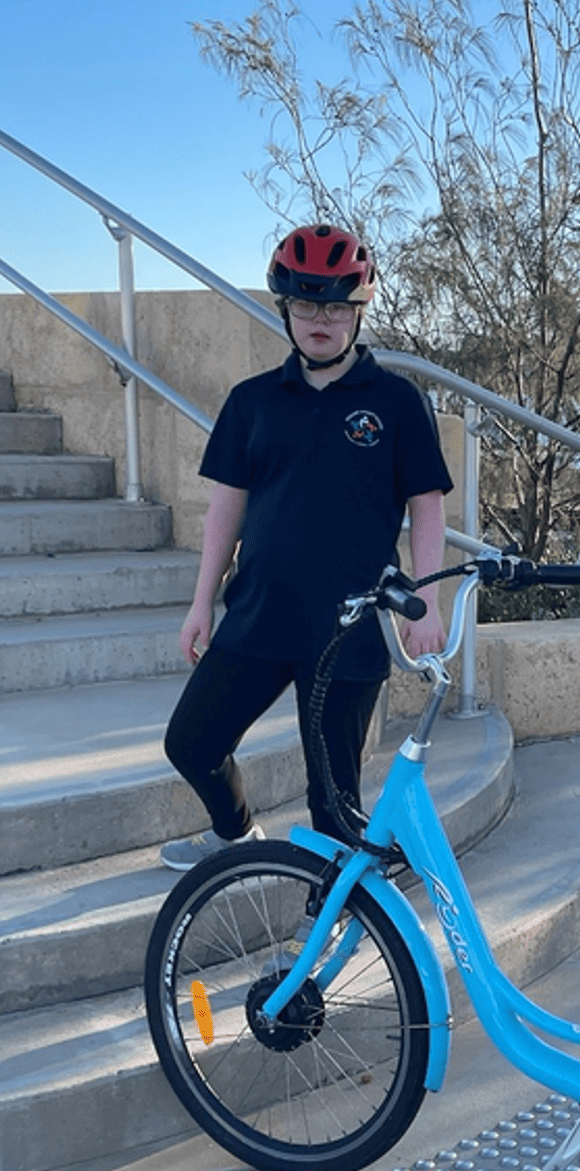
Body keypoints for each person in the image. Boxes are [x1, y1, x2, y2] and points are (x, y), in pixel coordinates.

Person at [160, 223, 452, 871]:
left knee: (333, 801)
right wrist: (201, 601)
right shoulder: (252, 402)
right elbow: (225, 510)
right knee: (191, 741)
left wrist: (427, 603)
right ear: (285, 309)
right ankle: (235, 833)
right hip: (260, 614)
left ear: (359, 311)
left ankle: (332, 917)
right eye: (305, 303)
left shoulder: (397, 403)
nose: (320, 319)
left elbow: (427, 504)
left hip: (348, 631)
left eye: (336, 305)